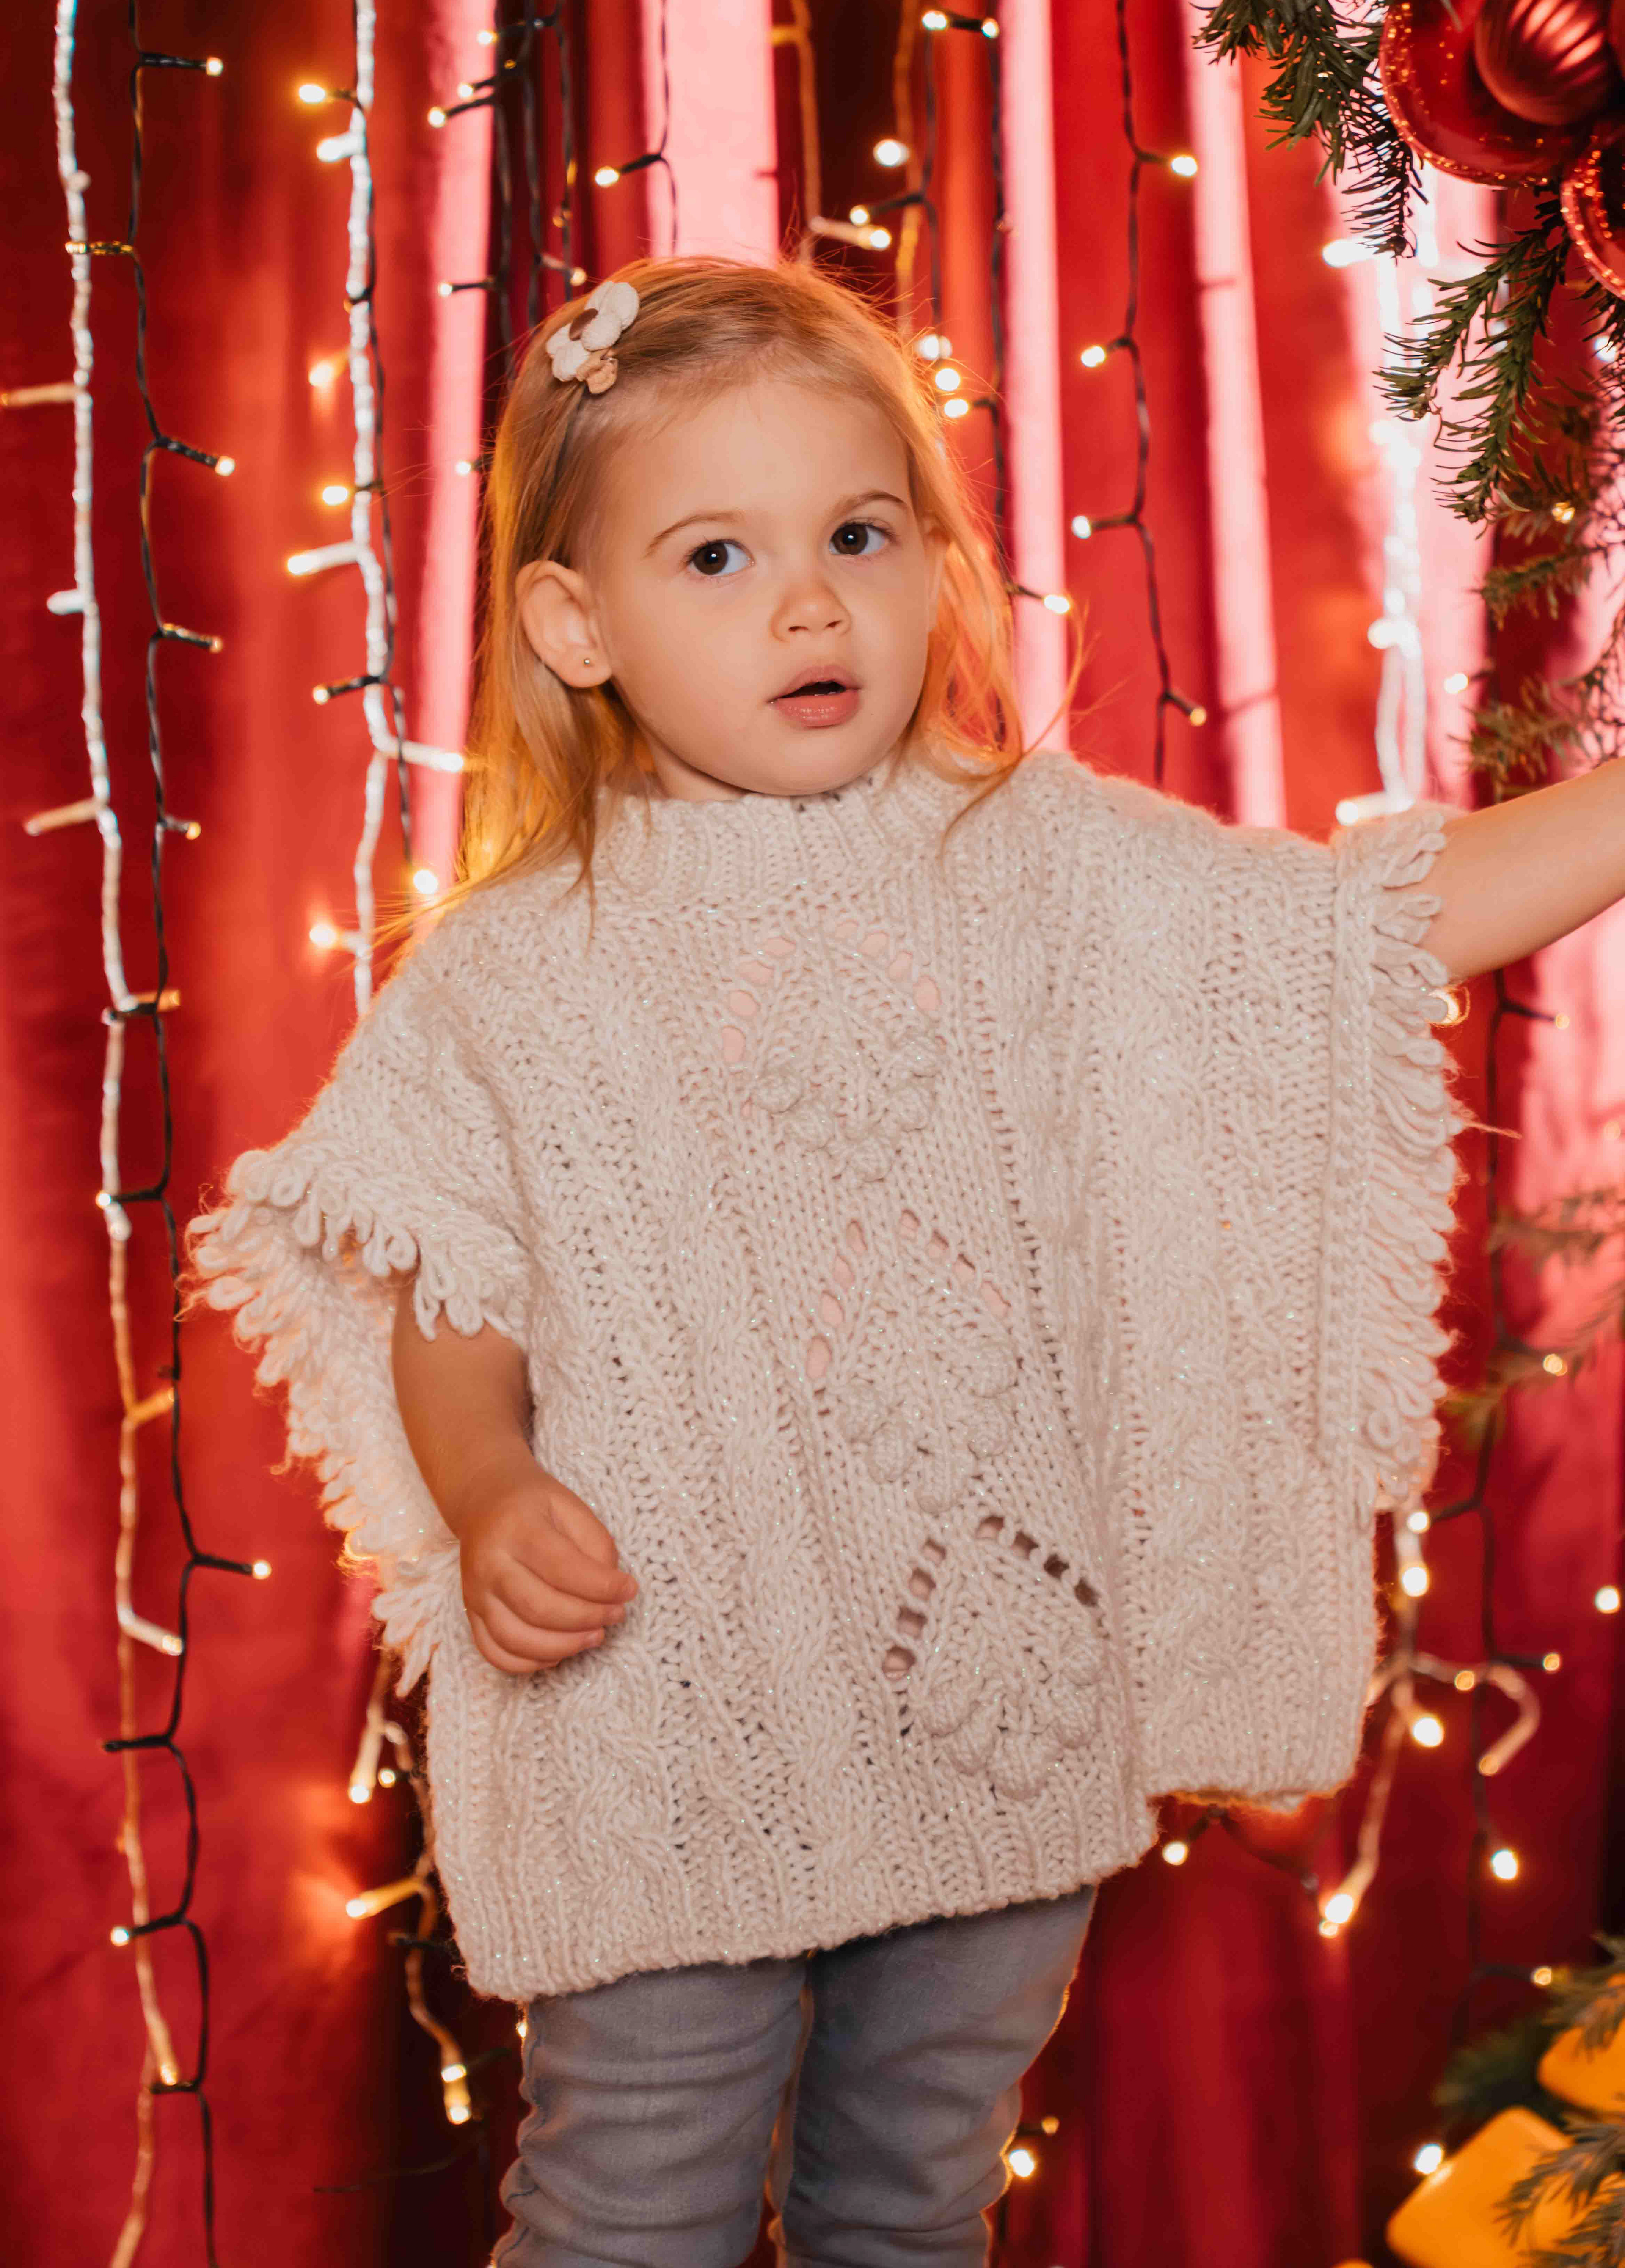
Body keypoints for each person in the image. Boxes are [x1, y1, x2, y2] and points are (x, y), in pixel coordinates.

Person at [187, 254, 1625, 2266]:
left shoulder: (1042, 858)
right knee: (629, 2211)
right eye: (718, 556)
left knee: (914, 2200)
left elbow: (1354, 937)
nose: (809, 605)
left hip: (993, 1709)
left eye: (858, 536)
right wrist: (490, 1486)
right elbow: (450, 1290)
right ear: (575, 625)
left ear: (936, 566)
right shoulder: (513, 973)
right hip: (668, 1713)